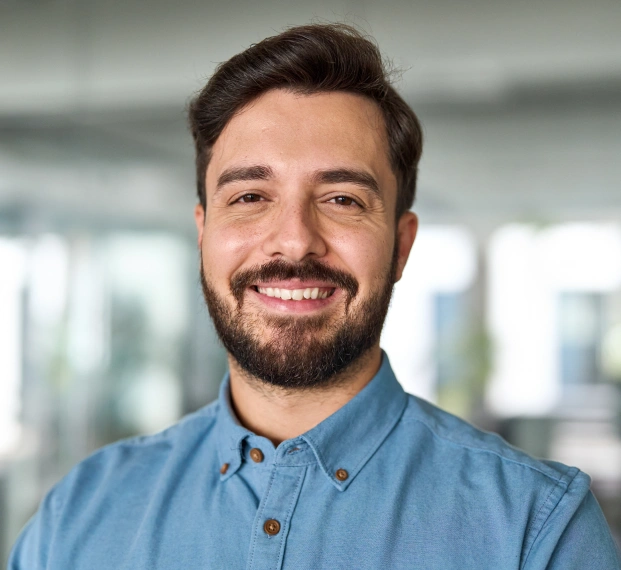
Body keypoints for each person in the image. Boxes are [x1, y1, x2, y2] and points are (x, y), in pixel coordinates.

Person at [9, 23, 620, 570]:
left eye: (343, 200)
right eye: (250, 197)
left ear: (401, 247)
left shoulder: (538, 530)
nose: (295, 241)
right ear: (203, 234)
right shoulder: (79, 513)